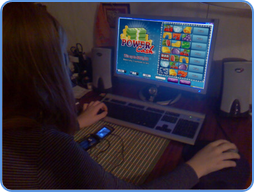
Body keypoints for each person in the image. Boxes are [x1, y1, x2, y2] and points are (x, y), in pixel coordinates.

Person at [3, 2, 243, 189]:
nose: (68, 68)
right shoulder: (52, 146)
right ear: (46, 74)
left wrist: (77, 123)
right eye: (62, 58)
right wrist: (196, 167)